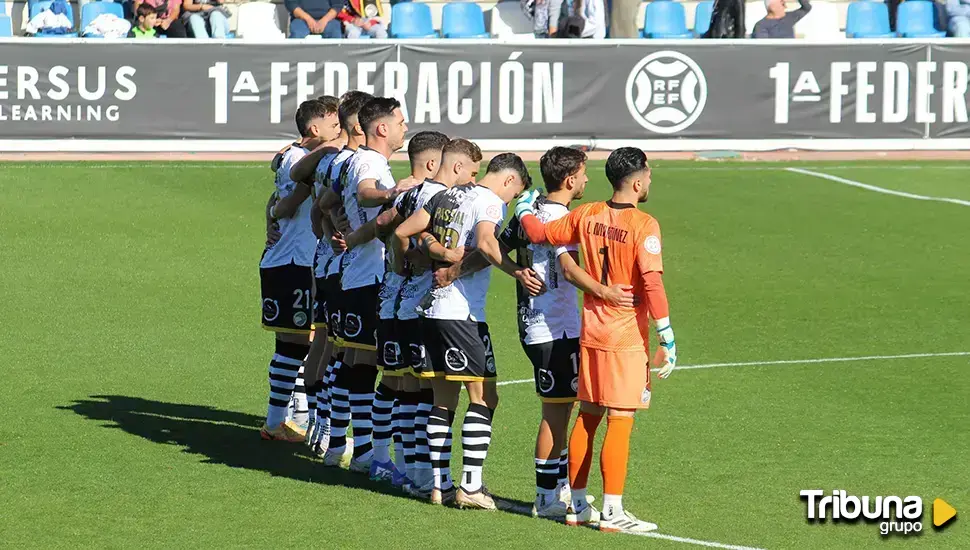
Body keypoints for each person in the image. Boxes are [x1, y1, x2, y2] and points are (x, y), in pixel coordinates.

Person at [512, 147, 678, 533]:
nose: (650, 181)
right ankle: (613, 510)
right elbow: (652, 283)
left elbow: (538, 233)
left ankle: (577, 504)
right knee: (620, 420)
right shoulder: (644, 224)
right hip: (623, 336)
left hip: (591, 330)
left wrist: (522, 206)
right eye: (649, 175)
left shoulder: (585, 215)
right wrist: (666, 336)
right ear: (637, 181)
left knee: (588, 415)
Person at [390, 153, 538, 509]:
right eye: (513, 193)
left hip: (429, 309)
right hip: (462, 315)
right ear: (508, 180)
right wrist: (516, 271)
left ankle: (439, 486)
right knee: (485, 397)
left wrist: (417, 258)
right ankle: (471, 487)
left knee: (442, 401)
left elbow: (402, 232)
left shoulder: (447, 195)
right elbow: (488, 244)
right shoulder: (489, 202)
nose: (509, 201)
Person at [330, 97, 414, 475]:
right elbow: (365, 192)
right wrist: (394, 193)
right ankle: (367, 455)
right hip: (368, 275)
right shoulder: (370, 162)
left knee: (353, 360)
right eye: (399, 121)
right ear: (382, 128)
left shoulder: (366, 160)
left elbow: (330, 199)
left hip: (357, 272)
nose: (405, 127)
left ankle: (339, 444)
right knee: (367, 364)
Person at [258, 98, 341, 443]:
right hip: (295, 262)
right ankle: (279, 422)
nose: (339, 129)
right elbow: (287, 205)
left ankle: (291, 417)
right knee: (296, 344)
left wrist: (271, 216)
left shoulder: (288, 155)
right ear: (314, 128)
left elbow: (275, 202)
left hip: (286, 259)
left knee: (293, 343)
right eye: (334, 123)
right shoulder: (296, 160)